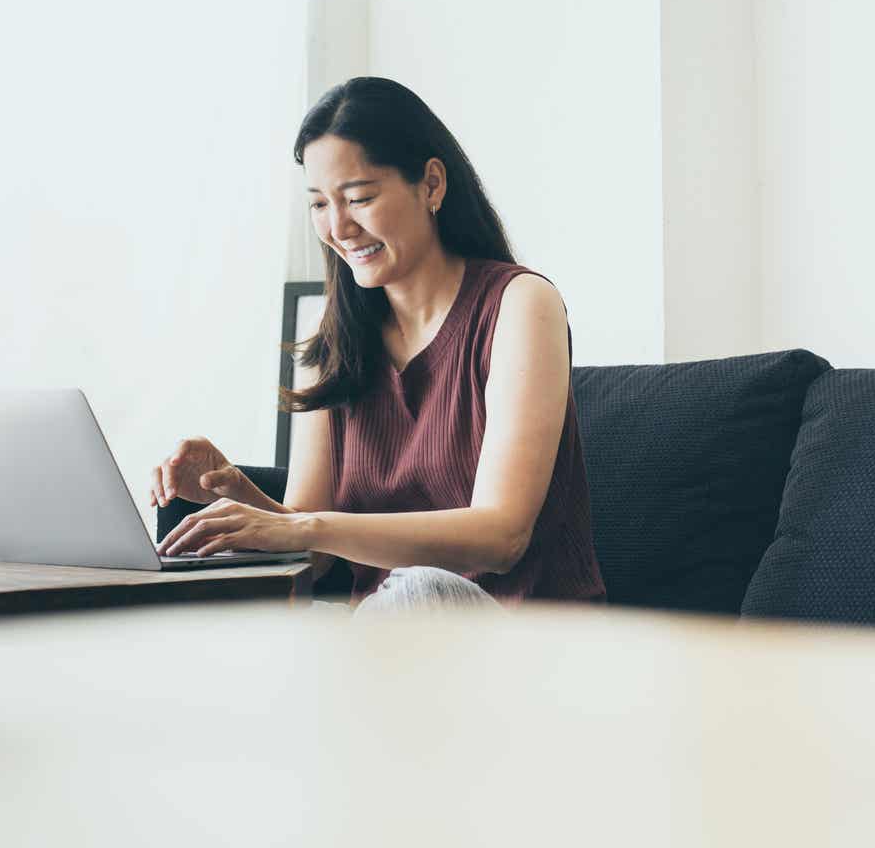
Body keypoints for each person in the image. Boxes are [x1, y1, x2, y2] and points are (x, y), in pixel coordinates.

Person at [149, 77, 607, 616]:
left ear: (431, 185)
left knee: (416, 593)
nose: (339, 227)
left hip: (524, 640)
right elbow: (314, 557)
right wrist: (237, 495)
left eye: (359, 198)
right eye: (319, 204)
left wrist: (303, 524)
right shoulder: (335, 335)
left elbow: (501, 536)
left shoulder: (519, 304)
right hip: (388, 641)